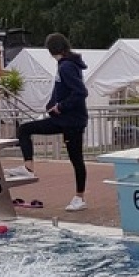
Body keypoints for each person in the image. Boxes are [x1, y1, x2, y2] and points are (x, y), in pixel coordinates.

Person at [12, 33, 89, 212]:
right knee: (25, 130)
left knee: (76, 159)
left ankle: (79, 197)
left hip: (71, 121)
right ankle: (28, 167)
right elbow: (61, 90)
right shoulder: (66, 64)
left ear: (50, 50)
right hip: (67, 119)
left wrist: (60, 107)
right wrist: (51, 105)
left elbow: (80, 92)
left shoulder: (66, 67)